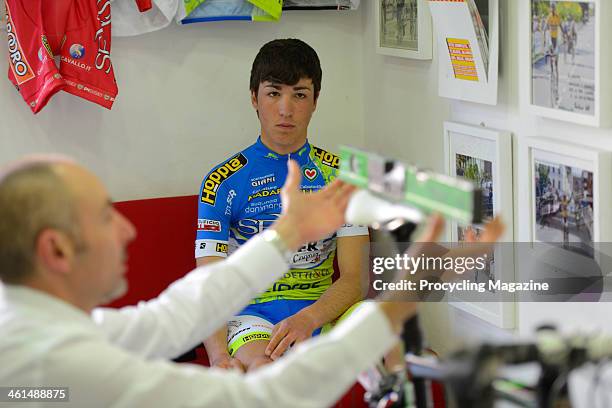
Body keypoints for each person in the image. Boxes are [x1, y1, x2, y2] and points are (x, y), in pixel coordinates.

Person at [0, 154, 504, 407]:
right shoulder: (52, 362)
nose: (128, 228)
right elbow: (260, 399)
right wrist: (395, 306)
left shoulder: (39, 324)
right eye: (105, 217)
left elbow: (172, 315)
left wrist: (287, 235)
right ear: (56, 249)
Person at [195, 39, 370, 372]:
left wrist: (310, 317)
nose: (286, 109)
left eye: (300, 94)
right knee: (269, 372)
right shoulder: (221, 182)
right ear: (254, 98)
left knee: (414, 358)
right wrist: (219, 358)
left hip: (324, 311)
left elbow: (356, 278)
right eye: (274, 93)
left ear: (315, 101)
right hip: (253, 317)